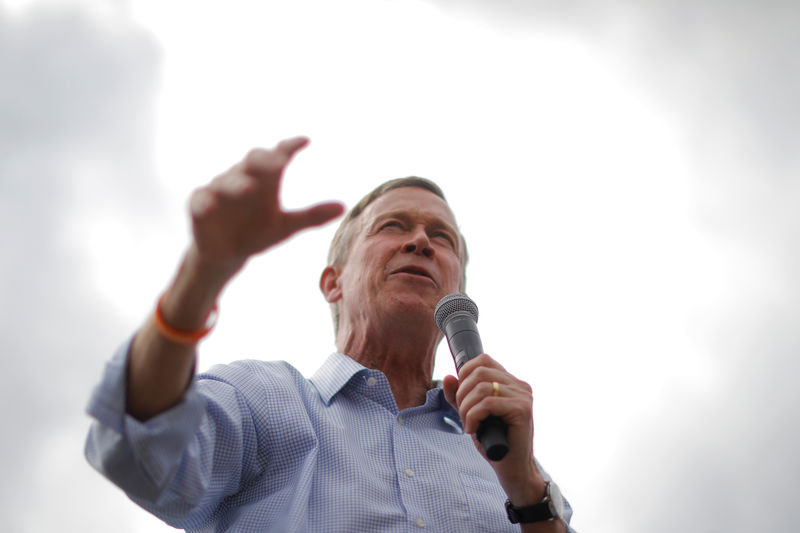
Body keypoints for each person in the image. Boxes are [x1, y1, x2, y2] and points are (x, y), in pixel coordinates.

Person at [85, 137, 576, 532]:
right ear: (333, 282)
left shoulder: (512, 463)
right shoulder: (262, 399)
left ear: (457, 286)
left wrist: (529, 496)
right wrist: (203, 270)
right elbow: (136, 445)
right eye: (394, 225)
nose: (421, 242)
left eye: (441, 237)